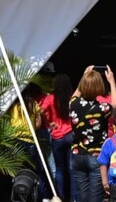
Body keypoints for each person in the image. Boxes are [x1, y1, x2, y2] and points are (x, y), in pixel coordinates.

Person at [70, 65, 116, 202]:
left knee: (82, 197)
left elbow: (76, 94)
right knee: (95, 198)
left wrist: (84, 77)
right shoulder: (102, 108)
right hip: (96, 156)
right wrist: (112, 81)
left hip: (77, 155)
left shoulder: (73, 104)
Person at [7, 83, 51, 201]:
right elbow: (38, 123)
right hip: (31, 141)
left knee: (16, 171)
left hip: (15, 142)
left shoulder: (11, 106)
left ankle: (18, 197)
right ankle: (44, 198)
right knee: (38, 172)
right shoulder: (32, 105)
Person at [40, 74, 76, 202]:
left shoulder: (50, 98)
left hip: (57, 137)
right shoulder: (71, 98)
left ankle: (60, 197)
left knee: (60, 169)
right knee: (72, 168)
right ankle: (74, 198)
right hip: (70, 134)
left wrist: (48, 123)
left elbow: (41, 111)